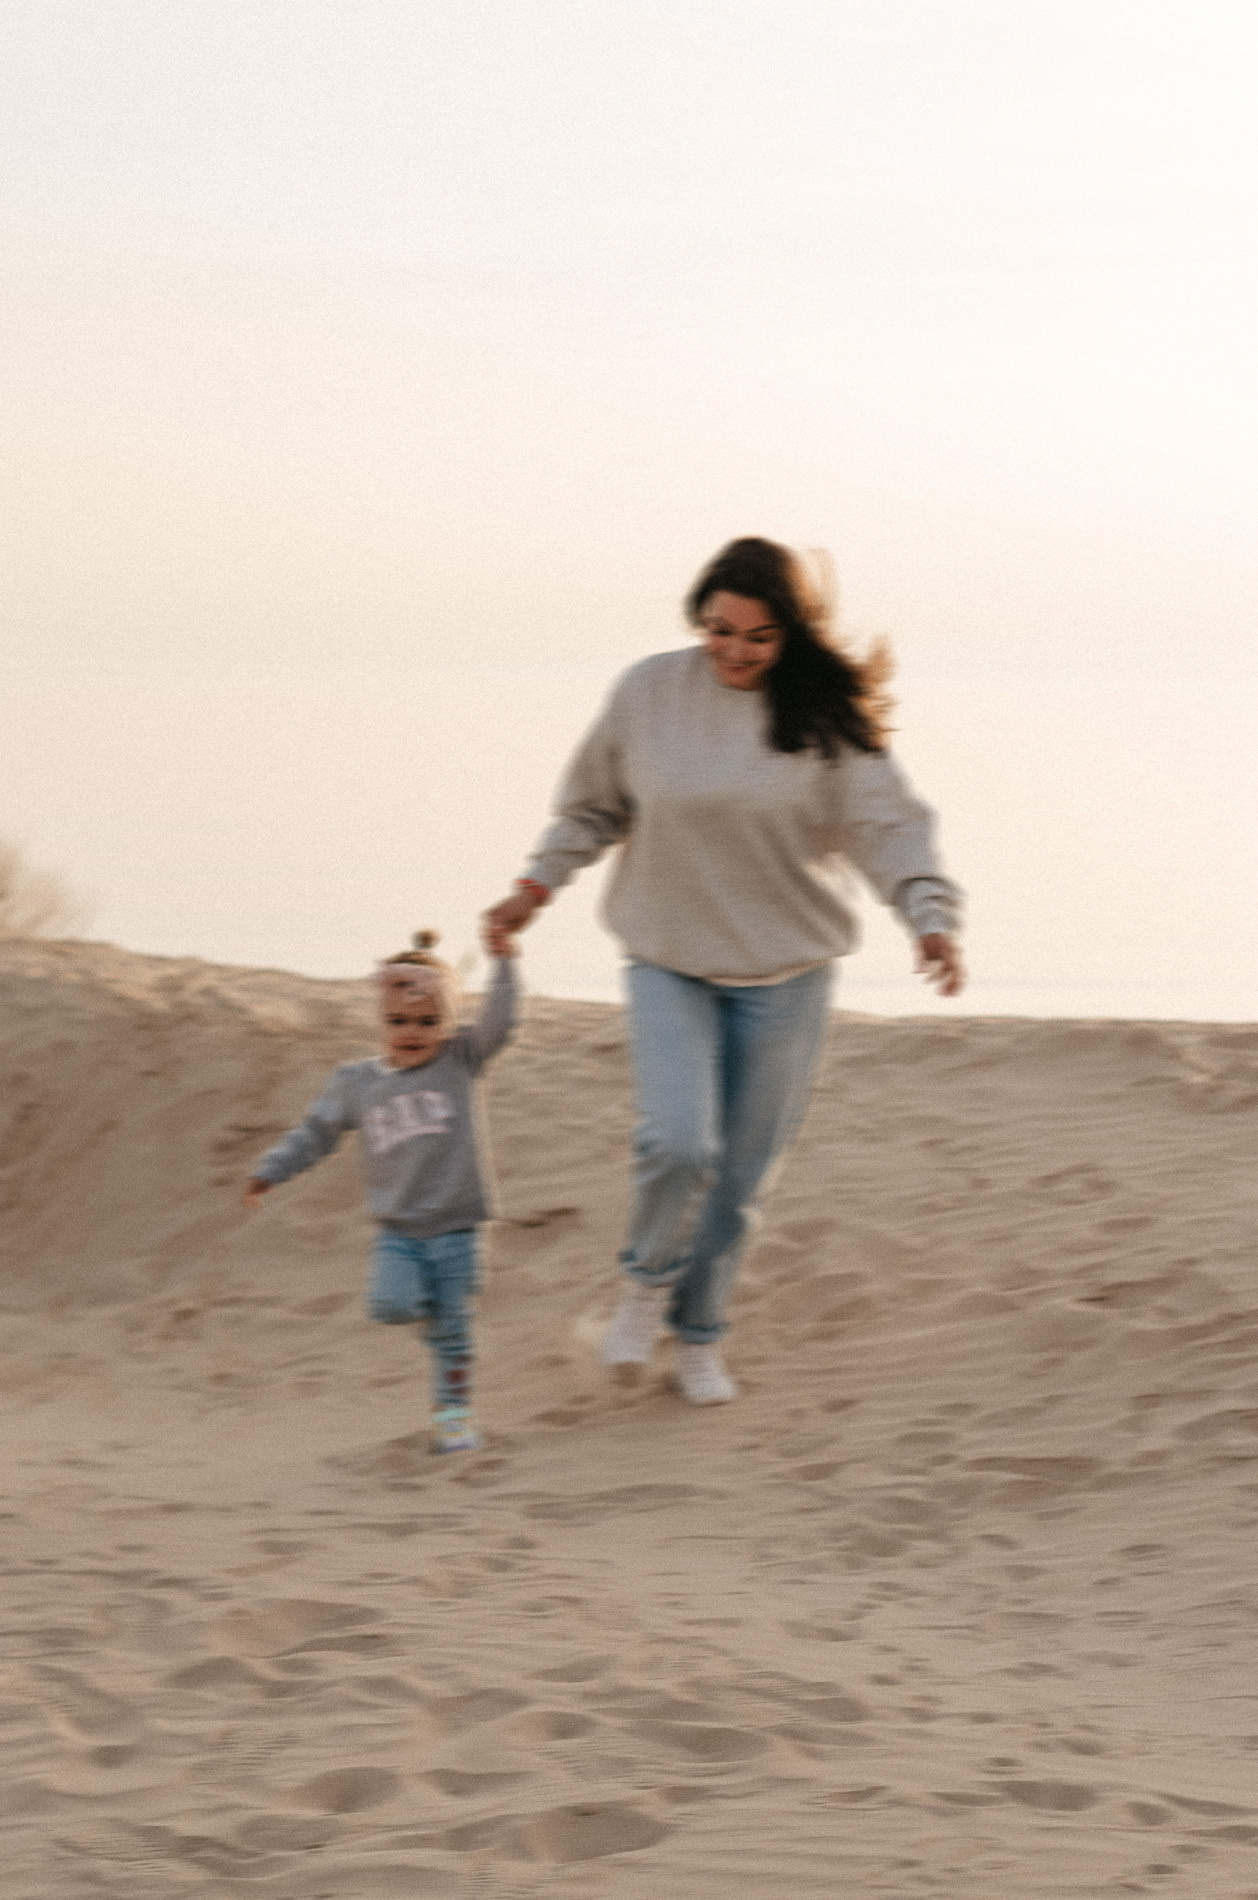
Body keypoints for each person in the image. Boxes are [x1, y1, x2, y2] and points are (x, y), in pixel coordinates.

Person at [483, 536, 963, 1406]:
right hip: (669, 960)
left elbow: (890, 826)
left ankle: (700, 1336)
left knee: (740, 1181)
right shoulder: (649, 694)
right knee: (678, 1143)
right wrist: (533, 889)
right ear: (698, 618)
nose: (734, 651)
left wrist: (928, 916)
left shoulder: (823, 720)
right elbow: (592, 808)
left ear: (791, 635)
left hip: (788, 974)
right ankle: (643, 1291)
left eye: (758, 637)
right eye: (719, 629)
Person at [241, 931, 517, 1453]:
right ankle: (435, 1328)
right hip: (399, 1232)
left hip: (458, 1229)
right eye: (398, 1021)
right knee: (390, 1304)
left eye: (428, 1022)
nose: (412, 1032)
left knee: (456, 1333)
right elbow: (315, 1134)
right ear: (381, 1020)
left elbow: (501, 1021)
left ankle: (452, 1421)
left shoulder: (458, 1061)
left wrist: (504, 962)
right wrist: (271, 1171)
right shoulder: (358, 1083)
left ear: (447, 1022)